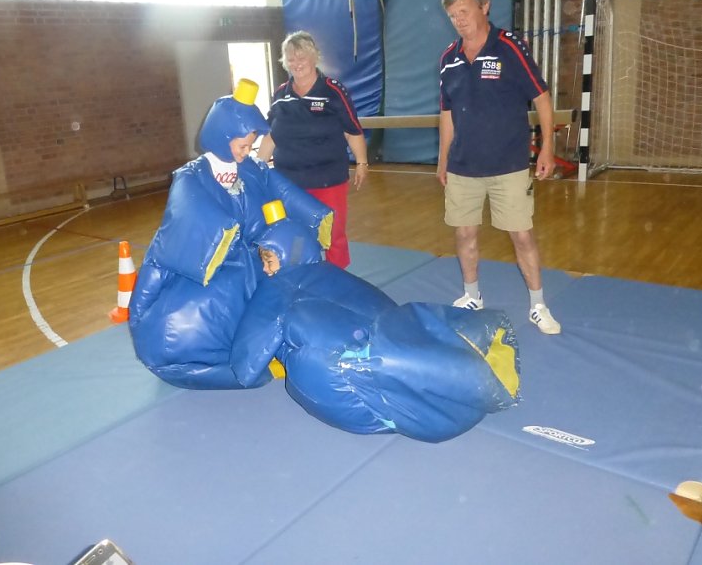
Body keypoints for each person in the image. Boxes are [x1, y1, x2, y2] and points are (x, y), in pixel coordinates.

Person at [229, 200, 521, 443]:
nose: (266, 270)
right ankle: (463, 369)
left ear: (280, 256)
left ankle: (400, 401)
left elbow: (246, 367)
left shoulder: (274, 289)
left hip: (346, 376)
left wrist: (274, 363)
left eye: (269, 261)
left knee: (310, 357)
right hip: (395, 330)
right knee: (400, 345)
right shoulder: (329, 270)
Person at [128, 79, 333, 389]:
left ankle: (273, 346)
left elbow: (283, 194)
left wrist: (298, 228)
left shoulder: (252, 170)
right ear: (223, 136)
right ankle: (246, 356)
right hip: (208, 265)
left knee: (293, 258)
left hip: (248, 262)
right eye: (243, 145)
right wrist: (227, 235)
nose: (247, 151)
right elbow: (187, 216)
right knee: (199, 317)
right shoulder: (191, 177)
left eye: (251, 145)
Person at [436, 0, 561, 335]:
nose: (459, 20)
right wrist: (443, 159)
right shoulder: (449, 59)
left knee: (522, 236)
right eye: (452, 15)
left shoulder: (510, 48)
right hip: (463, 165)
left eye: (464, 11)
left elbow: (541, 97)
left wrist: (547, 148)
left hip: (508, 164)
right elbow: (447, 113)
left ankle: (538, 305)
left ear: (484, 6)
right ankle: (472, 295)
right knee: (464, 233)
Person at [257, 30, 368, 269]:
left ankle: (336, 284)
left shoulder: (333, 90)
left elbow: (352, 130)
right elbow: (271, 136)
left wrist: (361, 162)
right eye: (291, 58)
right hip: (288, 183)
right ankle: (301, 278)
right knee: (295, 234)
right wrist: (256, 167)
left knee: (332, 236)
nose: (297, 63)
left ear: (314, 57)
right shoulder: (280, 94)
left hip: (328, 180)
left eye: (302, 57)